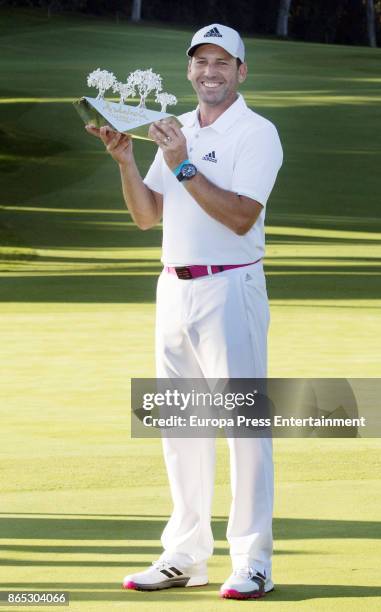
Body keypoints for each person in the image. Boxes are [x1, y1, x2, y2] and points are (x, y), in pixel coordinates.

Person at [86, 23, 283, 601]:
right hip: (174, 289)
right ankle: (186, 555)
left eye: (223, 62)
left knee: (245, 430)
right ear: (190, 70)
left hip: (230, 287)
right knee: (181, 427)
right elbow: (147, 216)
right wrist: (126, 160)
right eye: (201, 62)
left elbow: (242, 216)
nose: (210, 72)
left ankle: (253, 561)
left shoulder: (257, 132)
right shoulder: (176, 130)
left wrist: (182, 164)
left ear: (241, 72)